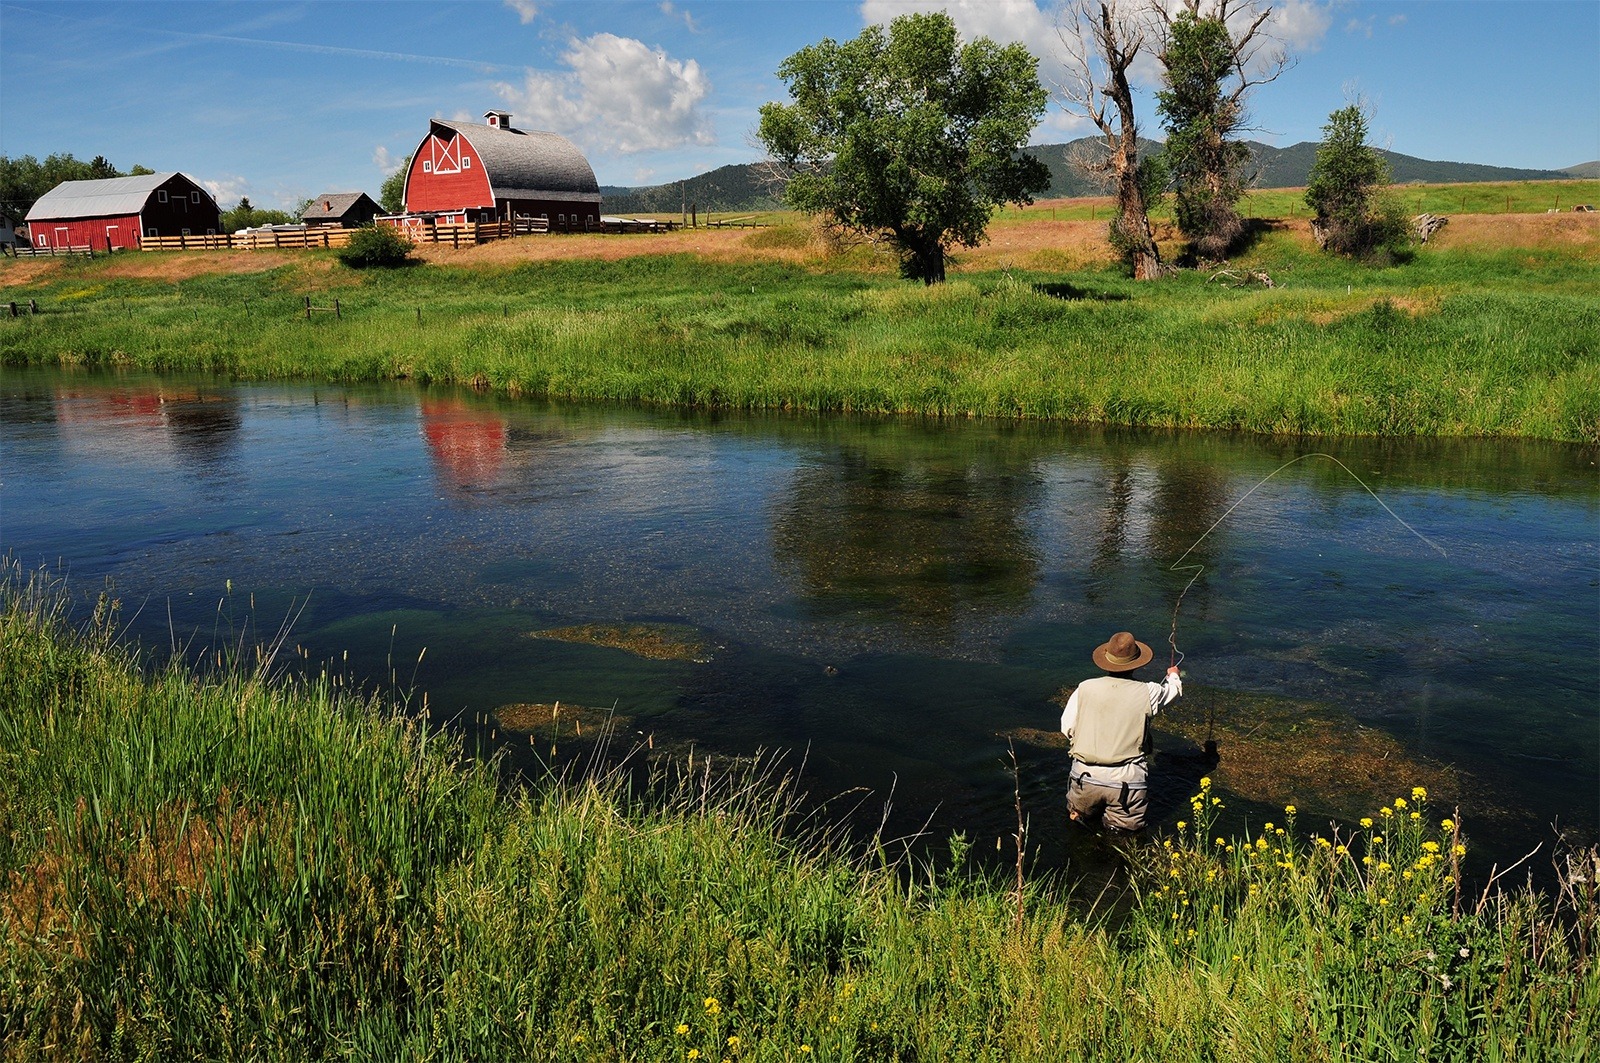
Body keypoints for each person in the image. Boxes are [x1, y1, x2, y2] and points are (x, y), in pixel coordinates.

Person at [1060, 630, 1182, 832]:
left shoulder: (1084, 688)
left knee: (1079, 826)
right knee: (1123, 836)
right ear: (1136, 663)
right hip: (1127, 782)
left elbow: (1067, 728)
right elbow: (1173, 691)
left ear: (1106, 660)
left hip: (1084, 775)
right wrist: (1174, 676)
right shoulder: (1149, 691)